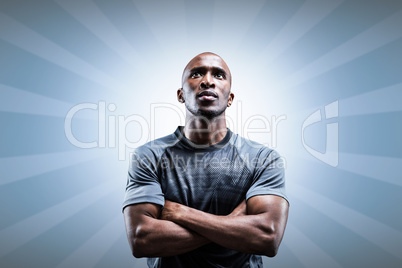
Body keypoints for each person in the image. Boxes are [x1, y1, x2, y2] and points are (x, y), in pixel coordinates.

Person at [123, 52, 289, 268]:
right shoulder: (148, 157)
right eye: (197, 74)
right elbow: (141, 239)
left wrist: (180, 213)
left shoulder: (263, 159)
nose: (207, 81)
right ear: (181, 94)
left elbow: (267, 238)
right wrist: (232, 223)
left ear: (230, 98)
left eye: (219, 75)